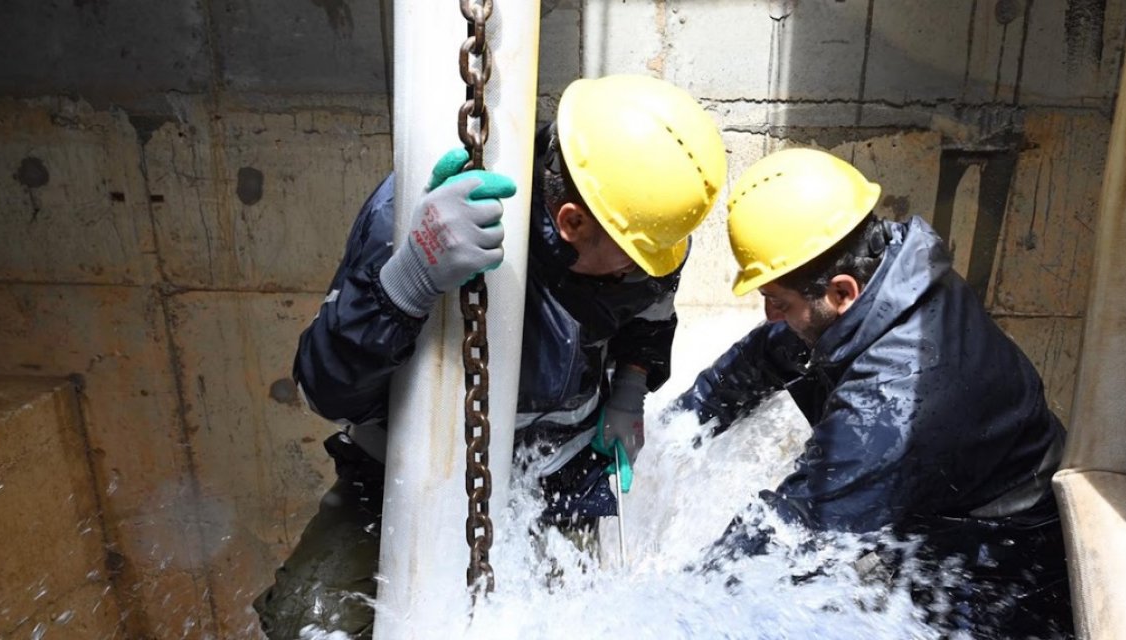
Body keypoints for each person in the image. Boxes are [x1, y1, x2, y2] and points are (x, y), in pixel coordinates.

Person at [251, 74, 727, 639]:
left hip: (559, 478)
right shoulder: (415, 219)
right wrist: (407, 283)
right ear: (572, 221)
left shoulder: (644, 230)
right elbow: (323, 390)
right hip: (403, 477)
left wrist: (631, 387)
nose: (653, 268)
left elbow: (650, 315)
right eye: (634, 259)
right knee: (310, 626)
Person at [676, 148, 1072, 637]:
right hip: (954, 501)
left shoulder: (895, 400)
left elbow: (792, 531)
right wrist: (676, 430)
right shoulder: (885, 275)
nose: (770, 317)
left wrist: (671, 610)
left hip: (1010, 565)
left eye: (778, 302)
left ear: (843, 293)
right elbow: (767, 355)